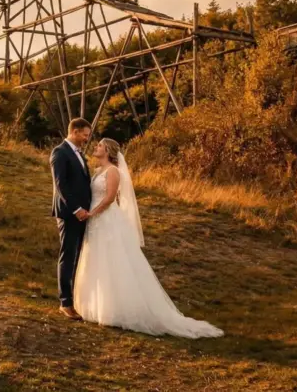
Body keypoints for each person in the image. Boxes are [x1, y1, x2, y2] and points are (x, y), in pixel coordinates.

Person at [73, 137, 223, 338]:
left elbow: (109, 198)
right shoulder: (99, 171)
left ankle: (117, 309)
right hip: (96, 221)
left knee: (112, 261)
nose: (96, 147)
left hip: (105, 220)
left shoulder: (113, 171)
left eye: (99, 145)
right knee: (98, 260)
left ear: (107, 150)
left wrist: (92, 213)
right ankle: (96, 305)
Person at [50, 118, 93, 321]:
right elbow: (61, 186)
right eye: (85, 134)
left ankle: (76, 298)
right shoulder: (60, 152)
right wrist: (76, 209)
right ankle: (65, 302)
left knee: (78, 256)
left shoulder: (79, 153)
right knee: (67, 256)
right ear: (74, 131)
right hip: (69, 214)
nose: (87, 139)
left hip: (83, 214)